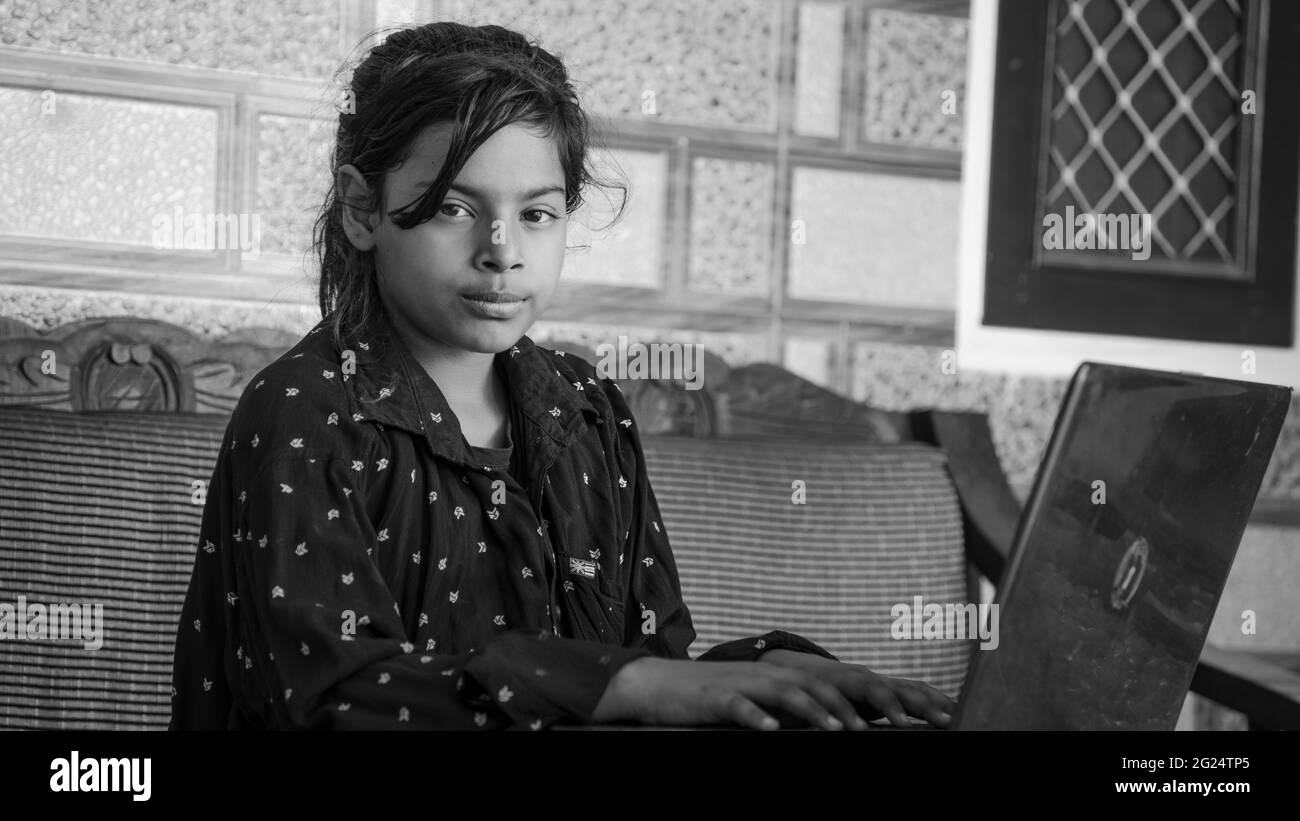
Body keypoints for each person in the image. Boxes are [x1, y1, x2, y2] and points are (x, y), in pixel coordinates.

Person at [168, 20, 955, 731]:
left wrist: (758, 672)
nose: (501, 249)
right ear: (361, 208)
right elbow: (331, 698)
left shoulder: (586, 410)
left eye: (537, 214)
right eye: (452, 207)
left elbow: (648, 670)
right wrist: (621, 686)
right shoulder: (306, 412)